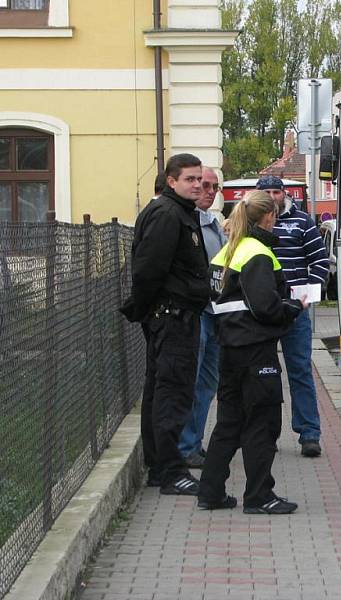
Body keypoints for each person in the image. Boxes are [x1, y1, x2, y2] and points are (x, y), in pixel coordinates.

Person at [198, 190, 307, 513]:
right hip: (256, 350)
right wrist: (291, 307)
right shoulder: (258, 253)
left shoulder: (225, 252)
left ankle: (211, 492)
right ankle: (259, 496)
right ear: (269, 217)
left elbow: (223, 300)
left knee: (228, 422)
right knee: (263, 421)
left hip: (228, 348)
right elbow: (265, 306)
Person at [121, 153, 209, 496]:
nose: (197, 185)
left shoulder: (180, 213)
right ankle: (169, 471)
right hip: (171, 317)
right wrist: (144, 309)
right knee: (171, 393)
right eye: (190, 179)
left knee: (164, 390)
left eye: (199, 179)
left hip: (176, 316)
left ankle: (162, 466)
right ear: (171, 181)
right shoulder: (167, 215)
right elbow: (148, 270)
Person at [256, 175, 329, 458]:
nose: (273, 196)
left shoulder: (302, 222)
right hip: (263, 310)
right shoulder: (251, 224)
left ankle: (309, 433)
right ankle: (266, 433)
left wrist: (309, 296)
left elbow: (320, 261)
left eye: (277, 191)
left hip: (297, 310)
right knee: (265, 374)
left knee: (299, 370)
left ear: (284, 194)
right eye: (267, 192)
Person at [178, 167, 227, 468]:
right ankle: (184, 446)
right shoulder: (184, 222)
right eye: (204, 185)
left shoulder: (214, 224)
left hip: (215, 313)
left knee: (208, 382)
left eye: (214, 187)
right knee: (190, 381)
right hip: (195, 313)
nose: (209, 191)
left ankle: (193, 442)